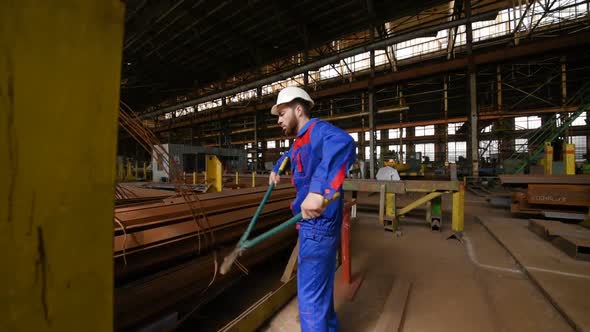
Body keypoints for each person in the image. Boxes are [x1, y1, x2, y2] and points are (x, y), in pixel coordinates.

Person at [268, 86, 356, 332]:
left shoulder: (318, 131)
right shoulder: (300, 140)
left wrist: (319, 191)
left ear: (299, 109)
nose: (279, 120)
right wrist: (278, 168)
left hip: (318, 226)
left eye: (282, 113)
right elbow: (290, 154)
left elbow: (344, 143)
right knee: (320, 295)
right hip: (316, 226)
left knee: (309, 303)